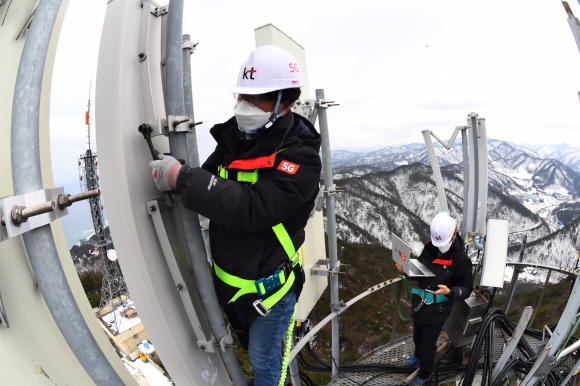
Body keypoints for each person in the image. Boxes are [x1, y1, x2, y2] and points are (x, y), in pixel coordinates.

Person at [149, 45, 322, 386]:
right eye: (242, 95)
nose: (243, 106)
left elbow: (252, 207)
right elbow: (212, 181)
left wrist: (183, 178)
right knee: (253, 352)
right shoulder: (235, 139)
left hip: (270, 293)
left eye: (254, 99)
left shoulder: (301, 158)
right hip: (230, 284)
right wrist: (186, 178)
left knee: (265, 364)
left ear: (283, 103)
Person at [395, 212, 473, 385]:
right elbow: (422, 272)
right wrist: (406, 271)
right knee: (418, 336)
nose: (440, 246)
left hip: (437, 309)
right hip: (420, 305)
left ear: (454, 235)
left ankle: (425, 373)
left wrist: (450, 292)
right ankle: (417, 356)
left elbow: (466, 289)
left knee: (428, 343)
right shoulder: (430, 249)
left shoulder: (461, 260)